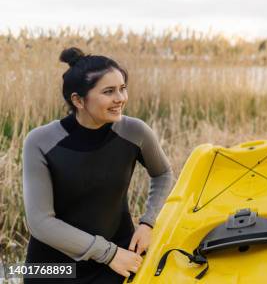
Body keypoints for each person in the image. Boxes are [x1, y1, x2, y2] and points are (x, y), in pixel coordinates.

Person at [22, 47, 174, 283]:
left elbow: (163, 173)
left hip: (119, 259)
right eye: (109, 91)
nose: (121, 98)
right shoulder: (39, 141)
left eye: (123, 88)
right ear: (78, 100)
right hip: (51, 267)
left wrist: (148, 223)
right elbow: (40, 223)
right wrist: (108, 253)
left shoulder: (135, 131)